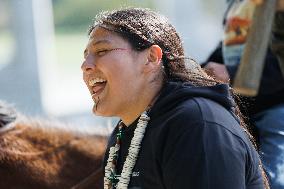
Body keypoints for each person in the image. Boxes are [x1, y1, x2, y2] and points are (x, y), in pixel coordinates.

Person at [81, 8, 269, 189]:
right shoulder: (122, 135)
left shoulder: (197, 125)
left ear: (151, 58)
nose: (85, 65)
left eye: (102, 51)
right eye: (85, 56)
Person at [203, 0, 284, 188]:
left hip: (276, 105)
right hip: (239, 105)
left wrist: (231, 73)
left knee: (273, 178)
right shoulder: (237, 5)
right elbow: (230, 47)